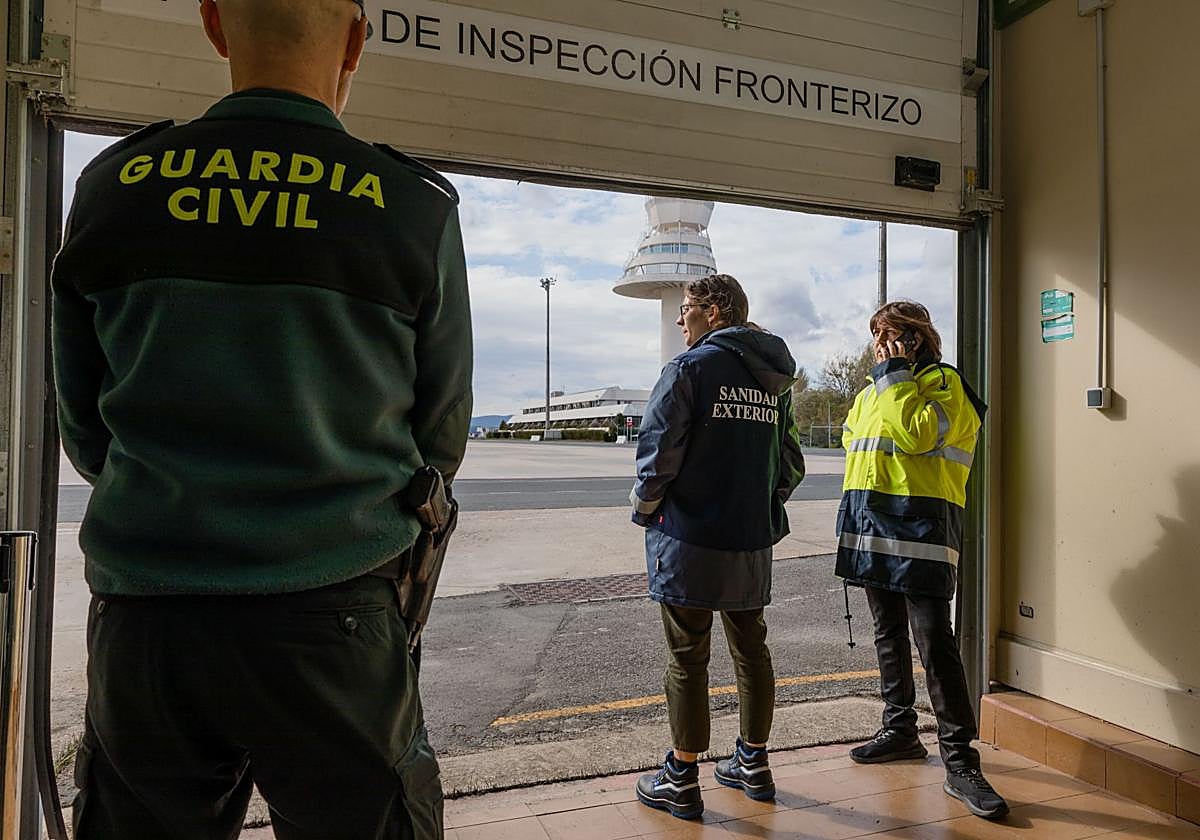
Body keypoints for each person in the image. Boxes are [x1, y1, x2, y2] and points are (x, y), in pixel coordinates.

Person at [51, 0, 471, 836]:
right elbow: (440, 437)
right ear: (356, 39)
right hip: (335, 616)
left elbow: (86, 428)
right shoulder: (409, 205)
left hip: (150, 619)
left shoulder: (115, 186)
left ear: (214, 24)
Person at [630, 274, 805, 820]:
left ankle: (681, 777)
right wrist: (759, 503)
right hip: (750, 540)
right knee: (752, 651)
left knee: (687, 657)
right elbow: (791, 463)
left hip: (689, 538)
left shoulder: (688, 369)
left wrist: (643, 508)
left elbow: (658, 452)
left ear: (715, 310)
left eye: (687, 309)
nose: (681, 319)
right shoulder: (773, 382)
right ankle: (753, 762)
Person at [836, 301, 1008, 820]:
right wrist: (887, 381)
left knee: (935, 642)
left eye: (888, 336)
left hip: (921, 531)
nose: (879, 345)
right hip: (871, 528)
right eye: (875, 336)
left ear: (914, 340)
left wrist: (894, 375)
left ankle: (960, 760)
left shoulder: (944, 385)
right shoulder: (873, 390)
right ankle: (901, 730)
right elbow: (851, 439)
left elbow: (916, 434)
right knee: (886, 635)